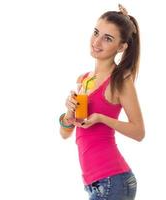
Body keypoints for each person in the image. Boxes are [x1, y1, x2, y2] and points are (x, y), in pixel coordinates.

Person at [59, 4, 145, 200]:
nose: (96, 42)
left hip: (112, 180)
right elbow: (65, 133)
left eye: (108, 38)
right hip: (96, 183)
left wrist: (101, 118)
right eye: (96, 32)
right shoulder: (83, 80)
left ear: (122, 47)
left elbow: (139, 132)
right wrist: (68, 113)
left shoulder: (120, 81)